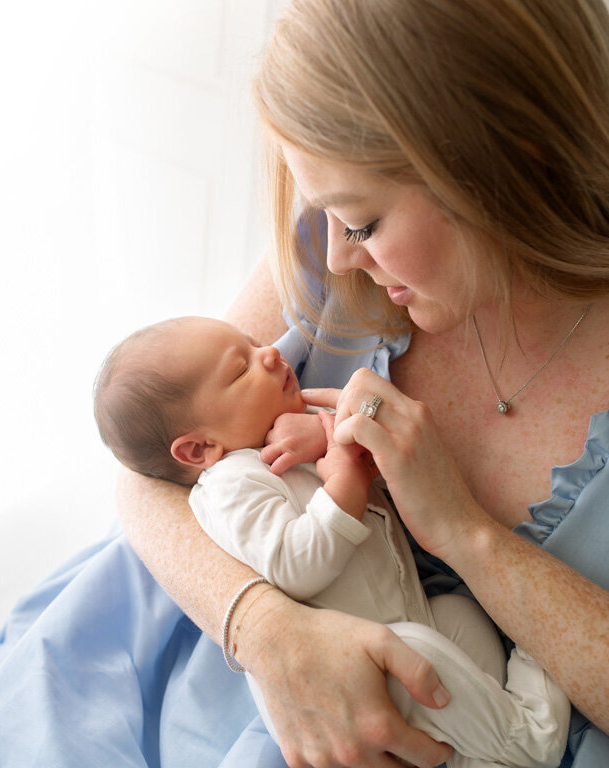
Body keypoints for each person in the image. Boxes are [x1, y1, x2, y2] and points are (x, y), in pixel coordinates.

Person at [112, 0, 609, 767]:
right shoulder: (335, 258)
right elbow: (145, 474)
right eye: (329, 217)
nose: (336, 252)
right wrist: (270, 634)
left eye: (364, 220)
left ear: (507, 155)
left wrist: (465, 532)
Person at [92, 315, 571, 768]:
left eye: (255, 344)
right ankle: (530, 738)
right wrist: (342, 474)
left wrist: (330, 436)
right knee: (416, 646)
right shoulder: (230, 487)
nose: (270, 355)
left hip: (414, 616)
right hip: (357, 670)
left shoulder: (288, 431)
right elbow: (296, 563)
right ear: (199, 448)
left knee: (456, 615)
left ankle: (477, 747)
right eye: (240, 369)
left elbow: (368, 457)